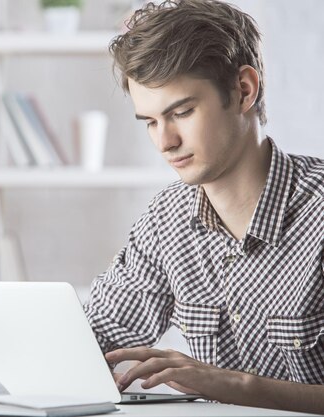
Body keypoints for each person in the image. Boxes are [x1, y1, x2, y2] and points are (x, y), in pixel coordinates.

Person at [83, 0, 324, 413]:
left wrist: (230, 384)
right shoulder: (166, 220)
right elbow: (93, 338)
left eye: (182, 112)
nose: (166, 142)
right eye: (151, 122)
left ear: (244, 90)